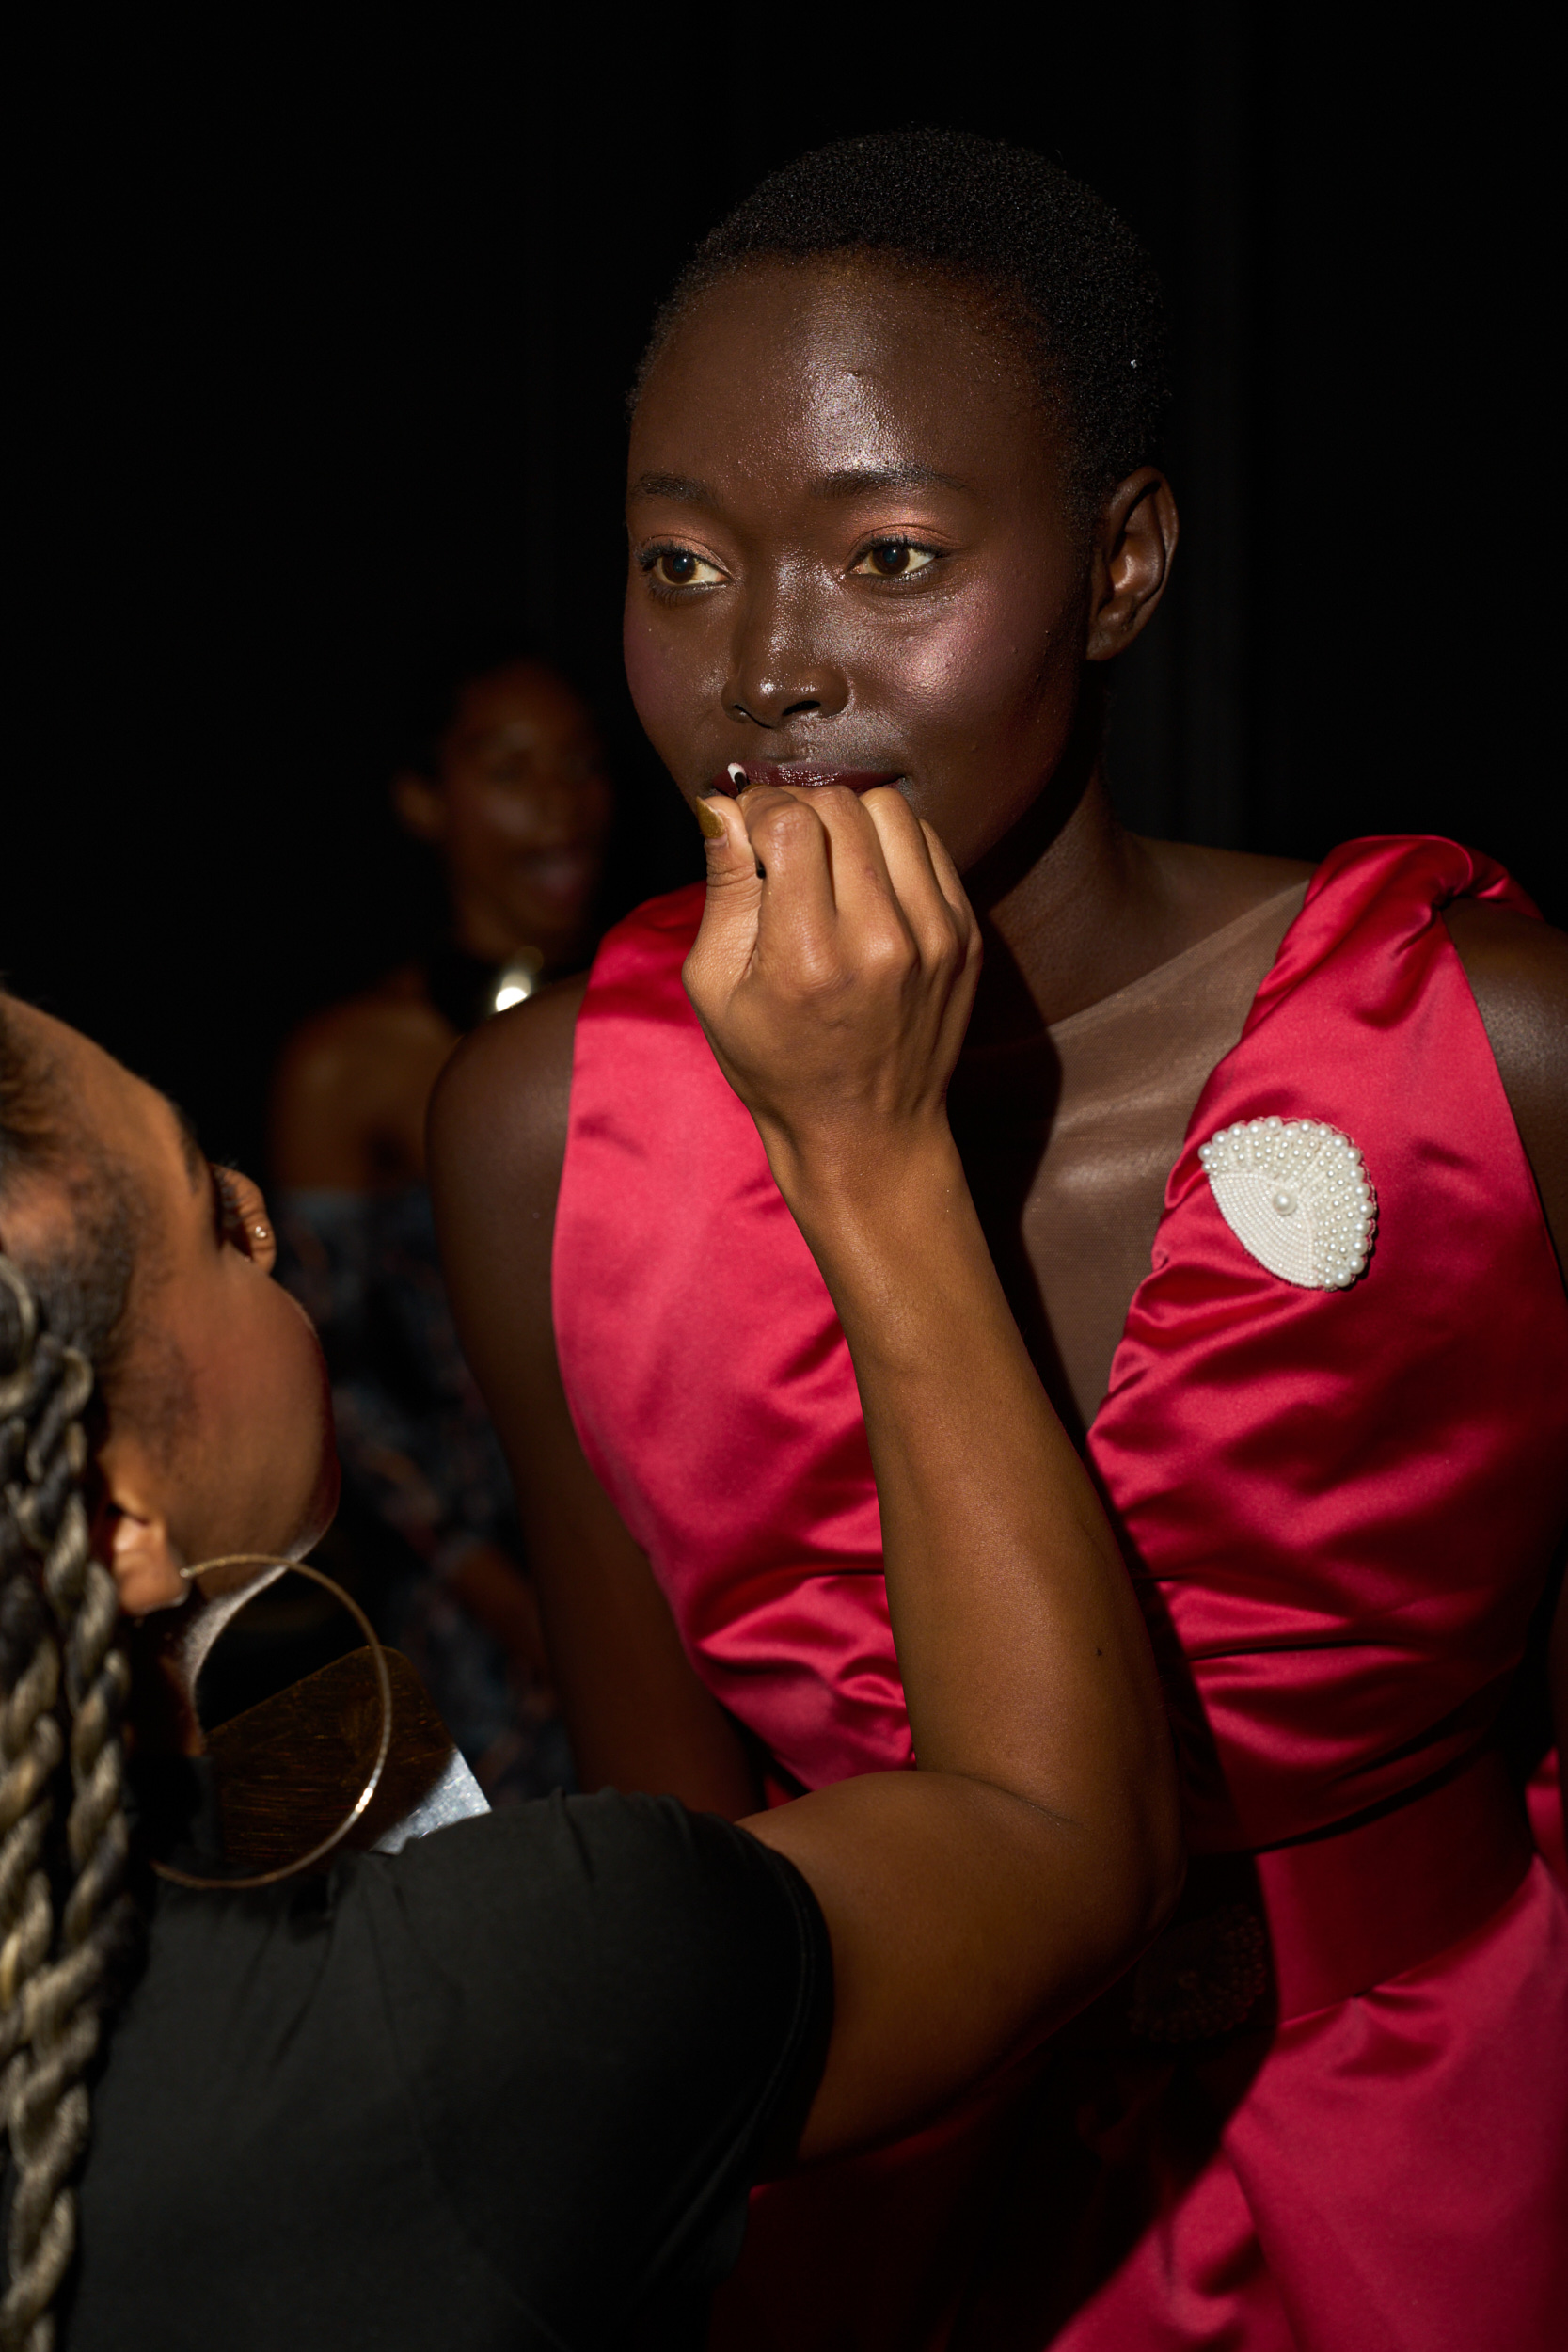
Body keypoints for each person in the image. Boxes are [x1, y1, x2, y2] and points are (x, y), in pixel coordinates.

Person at [429, 131, 1568, 2352]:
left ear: (1124, 564)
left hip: (1438, 2174)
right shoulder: (557, 1125)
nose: (764, 663)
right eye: (680, 565)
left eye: (889, 555)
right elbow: (672, 1863)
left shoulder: (1489, 1052)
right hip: (875, 2213)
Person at [0, 800, 1179, 2352]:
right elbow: (1056, 1842)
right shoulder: (468, 2017)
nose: (265, 1215)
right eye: (209, 1217)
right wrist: (871, 1151)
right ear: (106, 1523)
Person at [271, 649, 613, 1800]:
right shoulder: (348, 1067)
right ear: (425, 801)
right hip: (468, 1598)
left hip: (665, 1548)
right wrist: (500, 1589)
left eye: (578, 765)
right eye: (511, 768)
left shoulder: (672, 1011)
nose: (558, 801)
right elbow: (338, 1375)